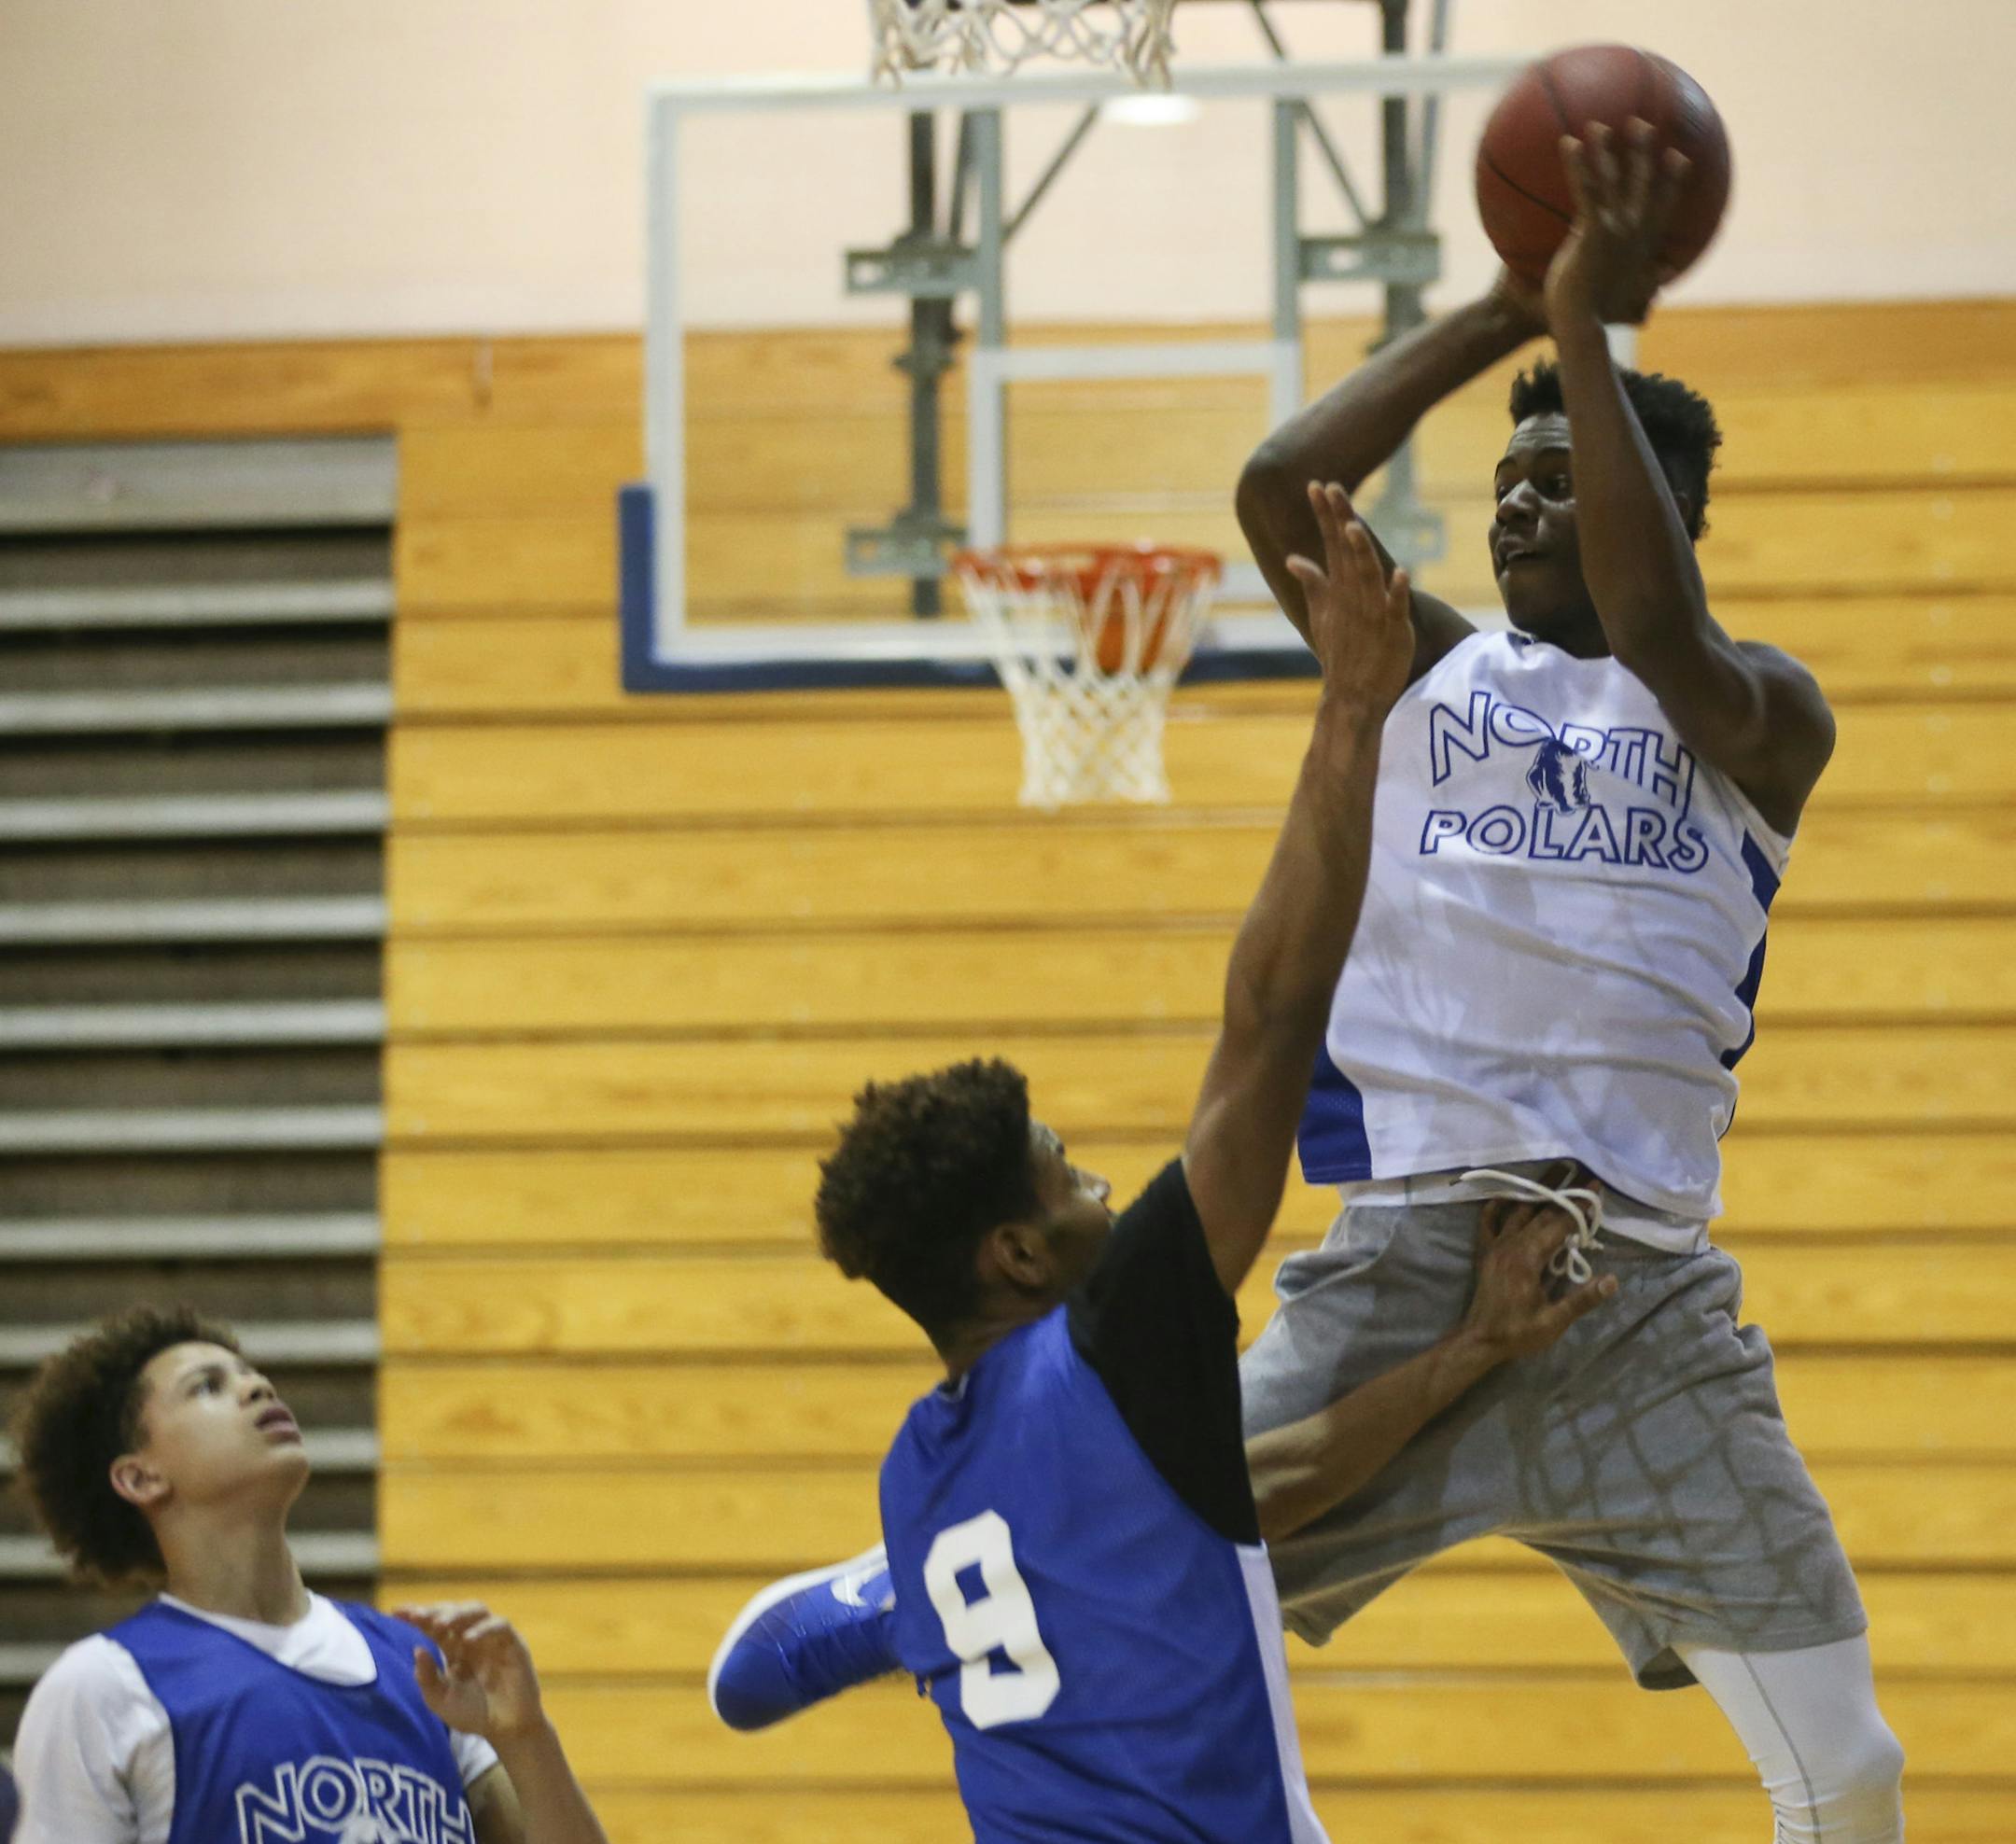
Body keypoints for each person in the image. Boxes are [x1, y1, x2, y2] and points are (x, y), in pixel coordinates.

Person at [709, 122, 1906, 1844]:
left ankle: (1018, 1547)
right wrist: (1512, 305)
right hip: (1410, 1255)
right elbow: (1279, 490)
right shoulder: (1416, 659)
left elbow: (1657, 617)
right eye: (1507, 481)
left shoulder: (1757, 713)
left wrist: (1590, 331)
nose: (1516, 502)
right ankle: (947, 1574)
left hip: (1636, 1296)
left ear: (1671, 514)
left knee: (1850, 1769)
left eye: (1560, 479)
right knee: (1122, 1564)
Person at [721, 478, 1616, 1843]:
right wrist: (1353, 711)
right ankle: (887, 1614)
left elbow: (1244, 1493)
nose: (1100, 1186)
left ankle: (895, 1608)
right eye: (1066, 1173)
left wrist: (1472, 1355)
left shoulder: (923, 1463)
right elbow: (1266, 1020)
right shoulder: (1117, 1334)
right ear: (1016, 1256)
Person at [7, 1305, 610, 1844]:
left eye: (253, 1375)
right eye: (208, 1387)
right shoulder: (101, 1688)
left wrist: (526, 1737)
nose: (256, 1388)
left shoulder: (418, 1665)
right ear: (141, 1478)